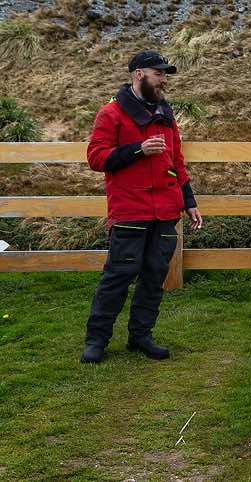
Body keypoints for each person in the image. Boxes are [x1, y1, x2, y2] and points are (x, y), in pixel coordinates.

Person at [81, 50, 203, 364]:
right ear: (139, 74)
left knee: (153, 276)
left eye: (165, 74)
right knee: (119, 275)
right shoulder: (111, 113)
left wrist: (189, 202)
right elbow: (96, 158)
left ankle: (140, 336)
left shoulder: (165, 113)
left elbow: (177, 162)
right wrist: (138, 149)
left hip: (165, 211)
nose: (164, 80)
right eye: (159, 73)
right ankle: (96, 341)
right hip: (130, 210)